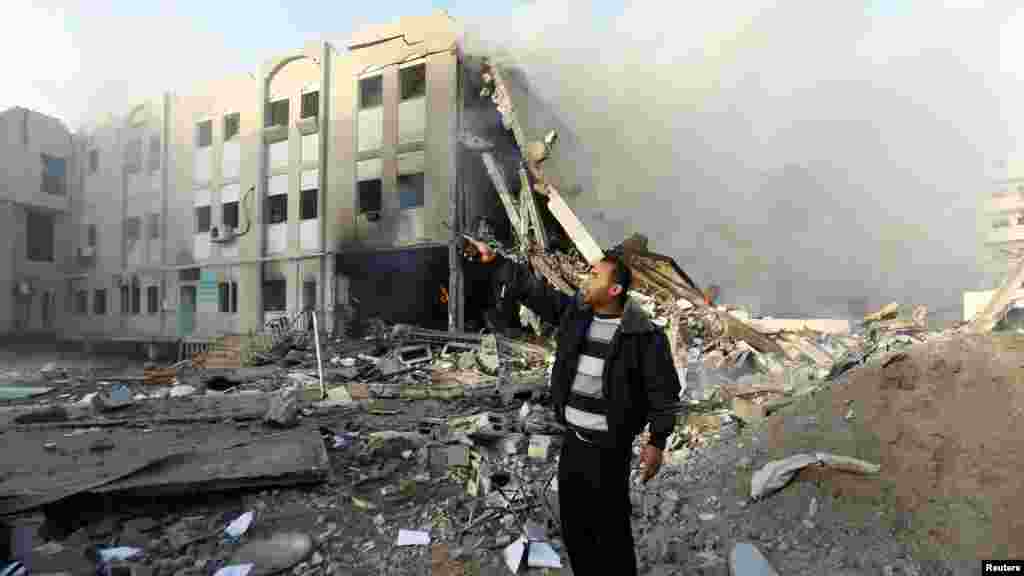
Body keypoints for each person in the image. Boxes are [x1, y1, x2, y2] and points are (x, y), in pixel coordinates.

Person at [463, 235, 682, 576]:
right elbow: (536, 292)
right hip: (574, 445)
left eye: (595, 277)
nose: (585, 280)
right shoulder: (576, 318)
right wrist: (494, 261)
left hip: (610, 450)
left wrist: (657, 442)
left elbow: (664, 393)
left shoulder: (644, 337)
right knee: (576, 529)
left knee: (611, 533)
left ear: (614, 291)